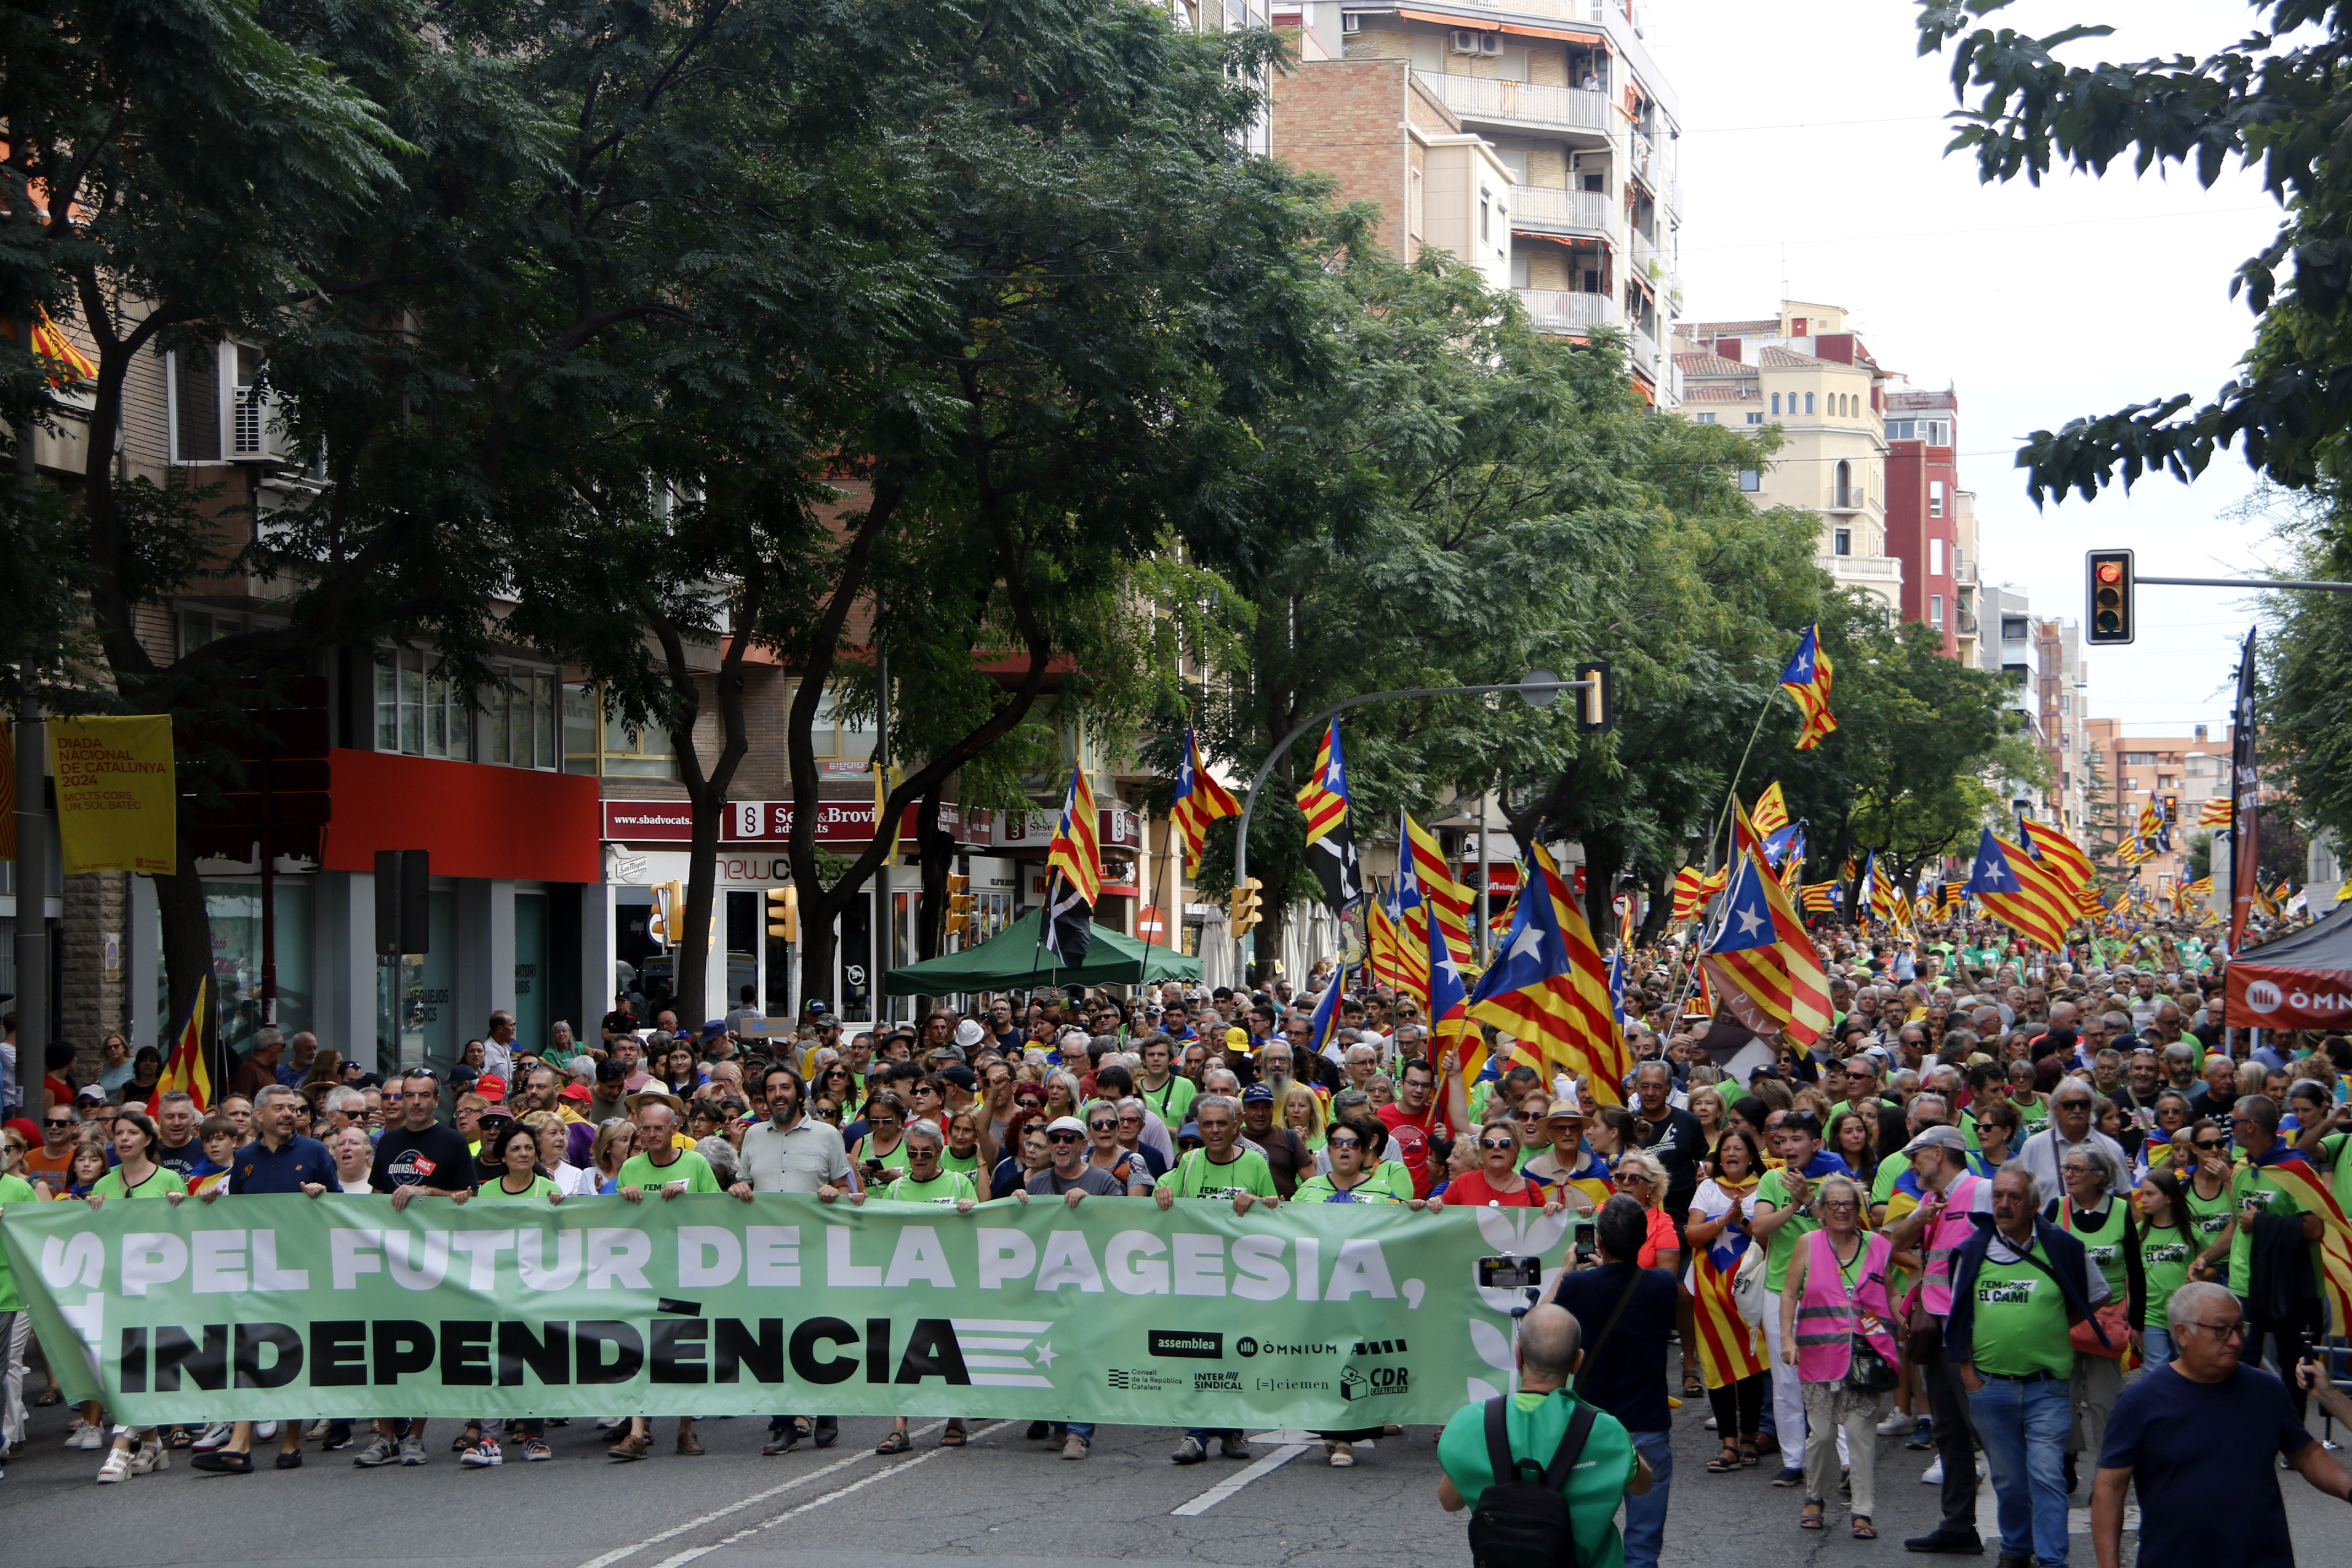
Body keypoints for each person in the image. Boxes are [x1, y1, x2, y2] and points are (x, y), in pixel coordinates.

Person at [2093, 1282, 2352, 1568]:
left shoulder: (2266, 1390)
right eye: (2221, 1330)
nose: (2235, 1341)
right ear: (2183, 1333)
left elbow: (2307, 1453)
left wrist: (2348, 1488)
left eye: (2239, 1328)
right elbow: (2111, 1488)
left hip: (2263, 1559)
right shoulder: (2140, 1401)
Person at [1948, 1163, 2109, 1568]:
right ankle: (2017, 1551)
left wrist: (2057, 1323)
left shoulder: (2063, 1246)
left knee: (2048, 1477)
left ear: (2035, 1204)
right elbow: (1958, 1316)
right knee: (2009, 1481)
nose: (2003, 1205)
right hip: (1990, 1388)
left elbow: (2097, 1295)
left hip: (2047, 1388)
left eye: (2014, 1197)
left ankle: (2054, 1560)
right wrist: (1968, 1376)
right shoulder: (1971, 1251)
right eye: (1998, 1196)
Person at [1435, 1301, 1648, 1567]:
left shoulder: (1470, 1423)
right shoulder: (1606, 1430)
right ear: (1577, 1361)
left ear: (1518, 1356)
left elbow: (1449, 1501)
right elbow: (1643, 1486)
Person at [1542, 1196, 1677, 1568]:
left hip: (1590, 1426)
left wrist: (1570, 1268)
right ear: (1644, 1238)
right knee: (1643, 1544)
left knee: (1578, 1536)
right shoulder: (1663, 1283)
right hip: (1647, 1425)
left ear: (1597, 1241)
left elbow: (1541, 1325)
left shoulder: (1580, 1287)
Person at [730, 1064, 855, 1455]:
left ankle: (827, 1412)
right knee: (774, 1339)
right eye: (771, 1089)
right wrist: (738, 1186)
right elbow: (745, 1182)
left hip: (816, 1253)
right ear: (763, 1097)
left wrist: (836, 1194)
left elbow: (845, 1188)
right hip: (767, 1255)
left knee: (817, 1333)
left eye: (786, 1087)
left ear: (800, 1094)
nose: (779, 1094)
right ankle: (784, 1424)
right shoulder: (751, 1135)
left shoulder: (829, 1135)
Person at [1881, 1124, 1993, 1553]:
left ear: (1940, 1154)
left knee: (1984, 1426)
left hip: (1969, 1327)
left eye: (1917, 1156)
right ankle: (1958, 1525)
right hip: (1933, 1324)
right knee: (1949, 1428)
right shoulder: (1930, 1200)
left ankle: (2025, 1536)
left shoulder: (1981, 1191)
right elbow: (1891, 1243)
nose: (1912, 1165)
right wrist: (1917, 1218)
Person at [1777, 1172, 1897, 1540]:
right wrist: (1787, 1338)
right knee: (1824, 1435)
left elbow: (1890, 1292)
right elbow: (1789, 1295)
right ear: (1823, 1211)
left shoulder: (1878, 1245)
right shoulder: (1808, 1243)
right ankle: (1815, 1496)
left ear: (1858, 1209)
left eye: (1849, 1204)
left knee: (1861, 1436)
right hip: (1819, 1356)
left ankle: (1862, 1510)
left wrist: (1902, 1320)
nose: (1842, 1210)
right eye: (1835, 1205)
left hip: (1866, 1355)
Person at [87, 1108, 188, 1482]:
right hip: (117, 1291)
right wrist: (90, 1213)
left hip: (160, 1291)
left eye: (132, 1132)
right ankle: (151, 1443)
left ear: (148, 1138)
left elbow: (190, 1231)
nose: (124, 1139)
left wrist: (182, 1207)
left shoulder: (169, 1178)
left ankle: (120, 1447)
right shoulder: (103, 1184)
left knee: (140, 1363)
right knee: (124, 1364)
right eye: (118, 1133)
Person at [1746, 1110, 1845, 1489]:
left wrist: (1812, 1199)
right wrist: (1795, 1203)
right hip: (1779, 1292)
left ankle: (1848, 1463)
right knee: (1786, 1380)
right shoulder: (1772, 1179)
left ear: (1816, 1143)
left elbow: (1841, 1226)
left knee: (1836, 1376)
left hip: (1829, 1289)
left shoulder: (1836, 1180)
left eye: (1796, 1140)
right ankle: (1794, 1460)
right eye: (1781, 1140)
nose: (1786, 1147)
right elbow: (1760, 1227)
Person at [1685, 1128, 1771, 1473]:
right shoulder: (1706, 1189)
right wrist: (1722, 1219)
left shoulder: (1766, 1187)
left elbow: (1767, 1239)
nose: (1731, 1154)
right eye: (1726, 1150)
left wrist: (1743, 1221)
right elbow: (1692, 1236)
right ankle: (1729, 1444)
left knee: (1752, 1361)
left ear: (1751, 1156)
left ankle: (1750, 1438)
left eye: (1739, 1149)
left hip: (1749, 1286)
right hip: (1710, 1288)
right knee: (1716, 1361)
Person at [2056, 1141, 2138, 1489]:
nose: (2069, 1176)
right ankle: (2068, 1458)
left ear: (2099, 1176)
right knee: (2065, 1397)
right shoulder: (2056, 1209)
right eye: (2066, 1169)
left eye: (2077, 1170)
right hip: (2067, 1319)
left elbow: (2136, 1268)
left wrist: (2137, 1320)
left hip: (2110, 1321)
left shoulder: (2121, 1211)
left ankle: (2106, 1478)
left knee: (2105, 1401)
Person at [1429, 1119, 1564, 1211]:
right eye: (1489, 1143)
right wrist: (1427, 1206)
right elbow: (1441, 1218)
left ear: (1516, 1151)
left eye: (1504, 1143)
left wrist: (1552, 1210)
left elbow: (1543, 1228)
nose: (1496, 1148)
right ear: (1482, 1152)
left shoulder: (1531, 1188)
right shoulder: (1462, 1182)